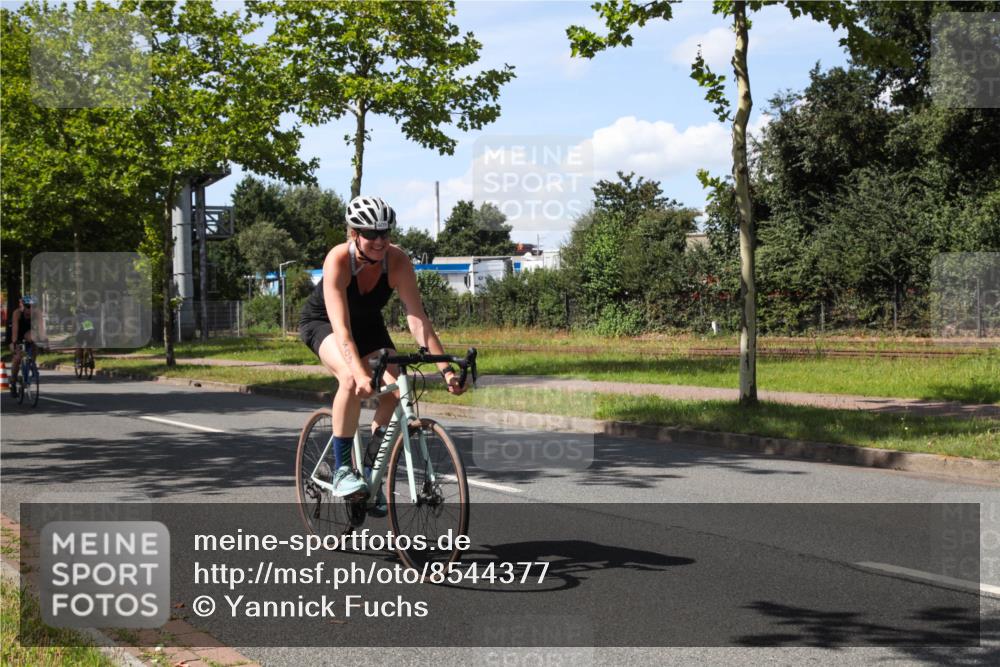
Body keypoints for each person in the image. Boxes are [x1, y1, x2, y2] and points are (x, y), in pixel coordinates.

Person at [298, 196, 466, 514]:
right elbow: (341, 328)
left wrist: (446, 370)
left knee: (397, 383)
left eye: (385, 233)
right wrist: (360, 373)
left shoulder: (398, 261)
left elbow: (417, 319)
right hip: (325, 323)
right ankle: (344, 469)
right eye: (371, 234)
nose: (379, 241)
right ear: (354, 234)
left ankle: (371, 468)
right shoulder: (338, 260)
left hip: (369, 325)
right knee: (349, 378)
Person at [9, 295, 35, 395]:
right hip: (17, 335)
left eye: (33, 306)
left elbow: (40, 327)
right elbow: (15, 329)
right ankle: (13, 382)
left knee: (35, 342)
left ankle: (32, 363)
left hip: (28, 333)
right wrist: (15, 342)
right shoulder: (17, 313)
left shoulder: (36, 313)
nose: (31, 309)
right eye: (28, 306)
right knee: (17, 358)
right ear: (23, 306)